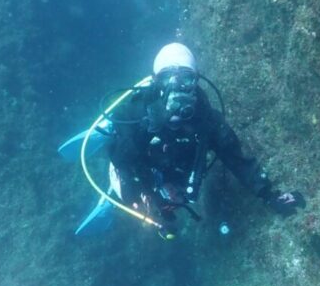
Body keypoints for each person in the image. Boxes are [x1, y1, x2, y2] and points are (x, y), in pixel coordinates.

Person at [61, 43, 305, 238]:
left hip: (175, 166)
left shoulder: (206, 117)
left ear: (196, 80)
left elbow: (236, 159)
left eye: (186, 78)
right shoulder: (136, 112)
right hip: (137, 166)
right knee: (129, 193)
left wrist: (269, 195)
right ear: (156, 81)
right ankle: (109, 185)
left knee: (180, 197)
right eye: (168, 77)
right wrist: (154, 211)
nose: (177, 85)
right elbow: (123, 160)